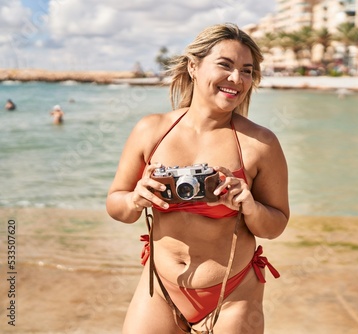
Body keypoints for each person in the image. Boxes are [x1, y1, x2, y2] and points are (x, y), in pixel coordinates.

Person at [106, 23, 289, 334]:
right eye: (225, 65)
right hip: (160, 289)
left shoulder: (260, 144)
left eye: (247, 71)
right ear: (193, 66)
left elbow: (275, 225)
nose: (236, 79)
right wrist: (136, 198)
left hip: (233, 294)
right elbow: (116, 205)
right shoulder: (151, 131)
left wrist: (249, 206)